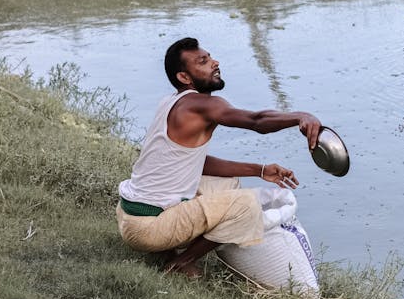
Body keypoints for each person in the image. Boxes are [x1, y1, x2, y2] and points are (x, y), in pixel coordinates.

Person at [116, 37, 321, 279]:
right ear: (184, 77)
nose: (215, 63)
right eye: (203, 61)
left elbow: (193, 163)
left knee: (228, 184)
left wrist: (260, 169)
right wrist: (300, 116)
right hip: (149, 229)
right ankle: (181, 263)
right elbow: (256, 121)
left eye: (210, 57)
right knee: (247, 205)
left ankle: (167, 251)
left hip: (129, 218)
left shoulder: (171, 102)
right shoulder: (203, 104)